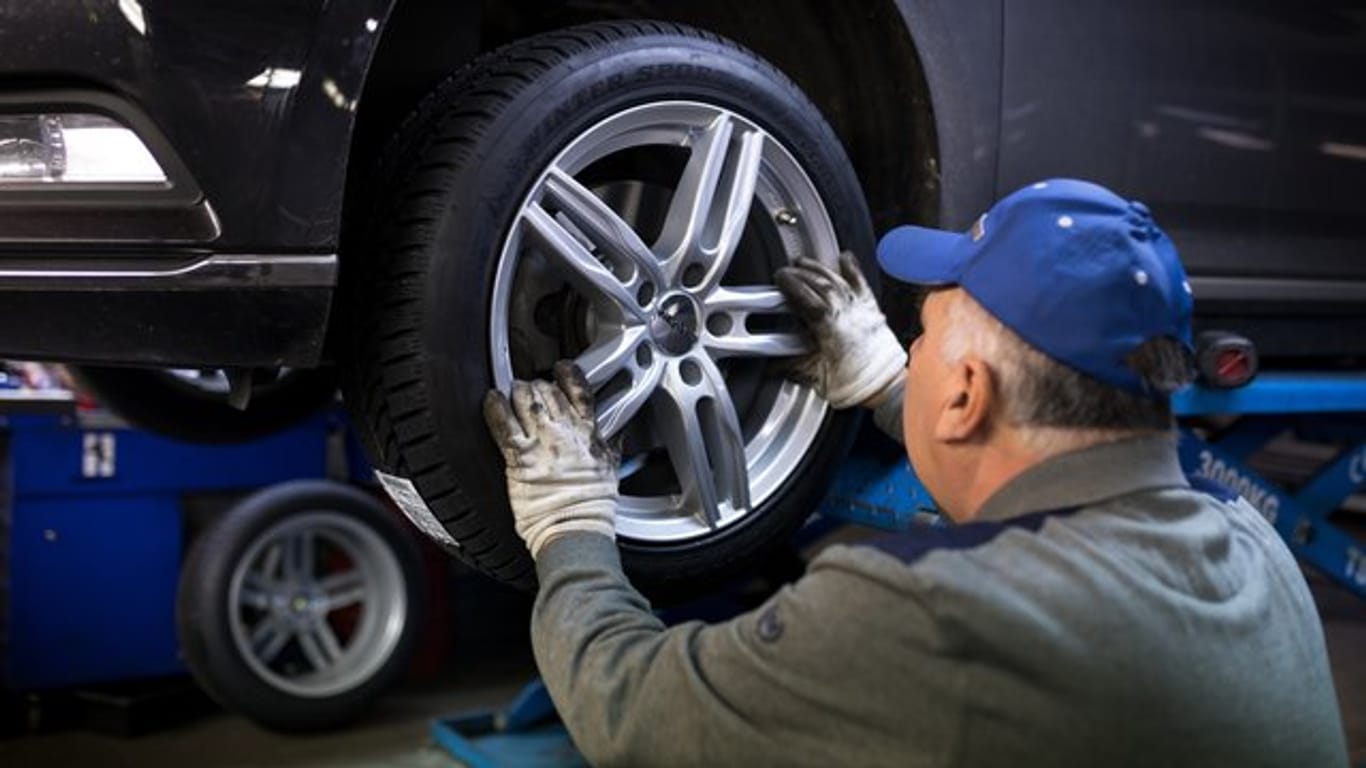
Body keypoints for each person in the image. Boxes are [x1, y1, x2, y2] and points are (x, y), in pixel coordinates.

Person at [482, 178, 1349, 766]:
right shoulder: (1257, 546)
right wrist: (898, 390)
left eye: (924, 337)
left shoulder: (925, 614)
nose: (912, 349)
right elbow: (1046, 510)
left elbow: (626, 706)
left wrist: (569, 524)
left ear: (967, 395)